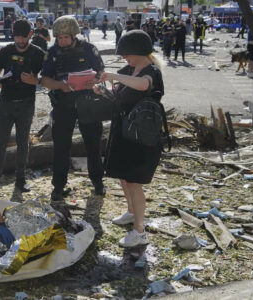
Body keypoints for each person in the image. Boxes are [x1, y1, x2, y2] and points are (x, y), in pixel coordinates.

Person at [93, 30, 164, 248]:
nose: (125, 58)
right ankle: (132, 212)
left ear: (139, 51)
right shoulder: (131, 69)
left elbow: (143, 85)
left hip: (141, 135)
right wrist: (102, 92)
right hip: (124, 131)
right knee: (124, 178)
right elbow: (119, 99)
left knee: (134, 182)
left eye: (127, 54)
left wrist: (113, 76)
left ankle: (139, 232)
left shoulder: (151, 70)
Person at [41, 16, 106, 200]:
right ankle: (58, 187)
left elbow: (101, 72)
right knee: (61, 147)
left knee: (93, 144)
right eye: (59, 38)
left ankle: (98, 182)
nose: (62, 42)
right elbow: (44, 79)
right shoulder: (52, 53)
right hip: (63, 104)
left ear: (74, 35)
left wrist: (95, 80)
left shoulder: (89, 49)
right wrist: (60, 85)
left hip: (88, 103)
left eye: (66, 38)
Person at [0, 20, 46, 196]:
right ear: (13, 34)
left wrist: (36, 81)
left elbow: (47, 77)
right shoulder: (6, 51)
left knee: (23, 142)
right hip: (6, 102)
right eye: (17, 36)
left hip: (26, 102)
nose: (20, 40)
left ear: (30, 35)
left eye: (24, 36)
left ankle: (20, 179)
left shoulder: (37, 53)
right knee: (0, 142)